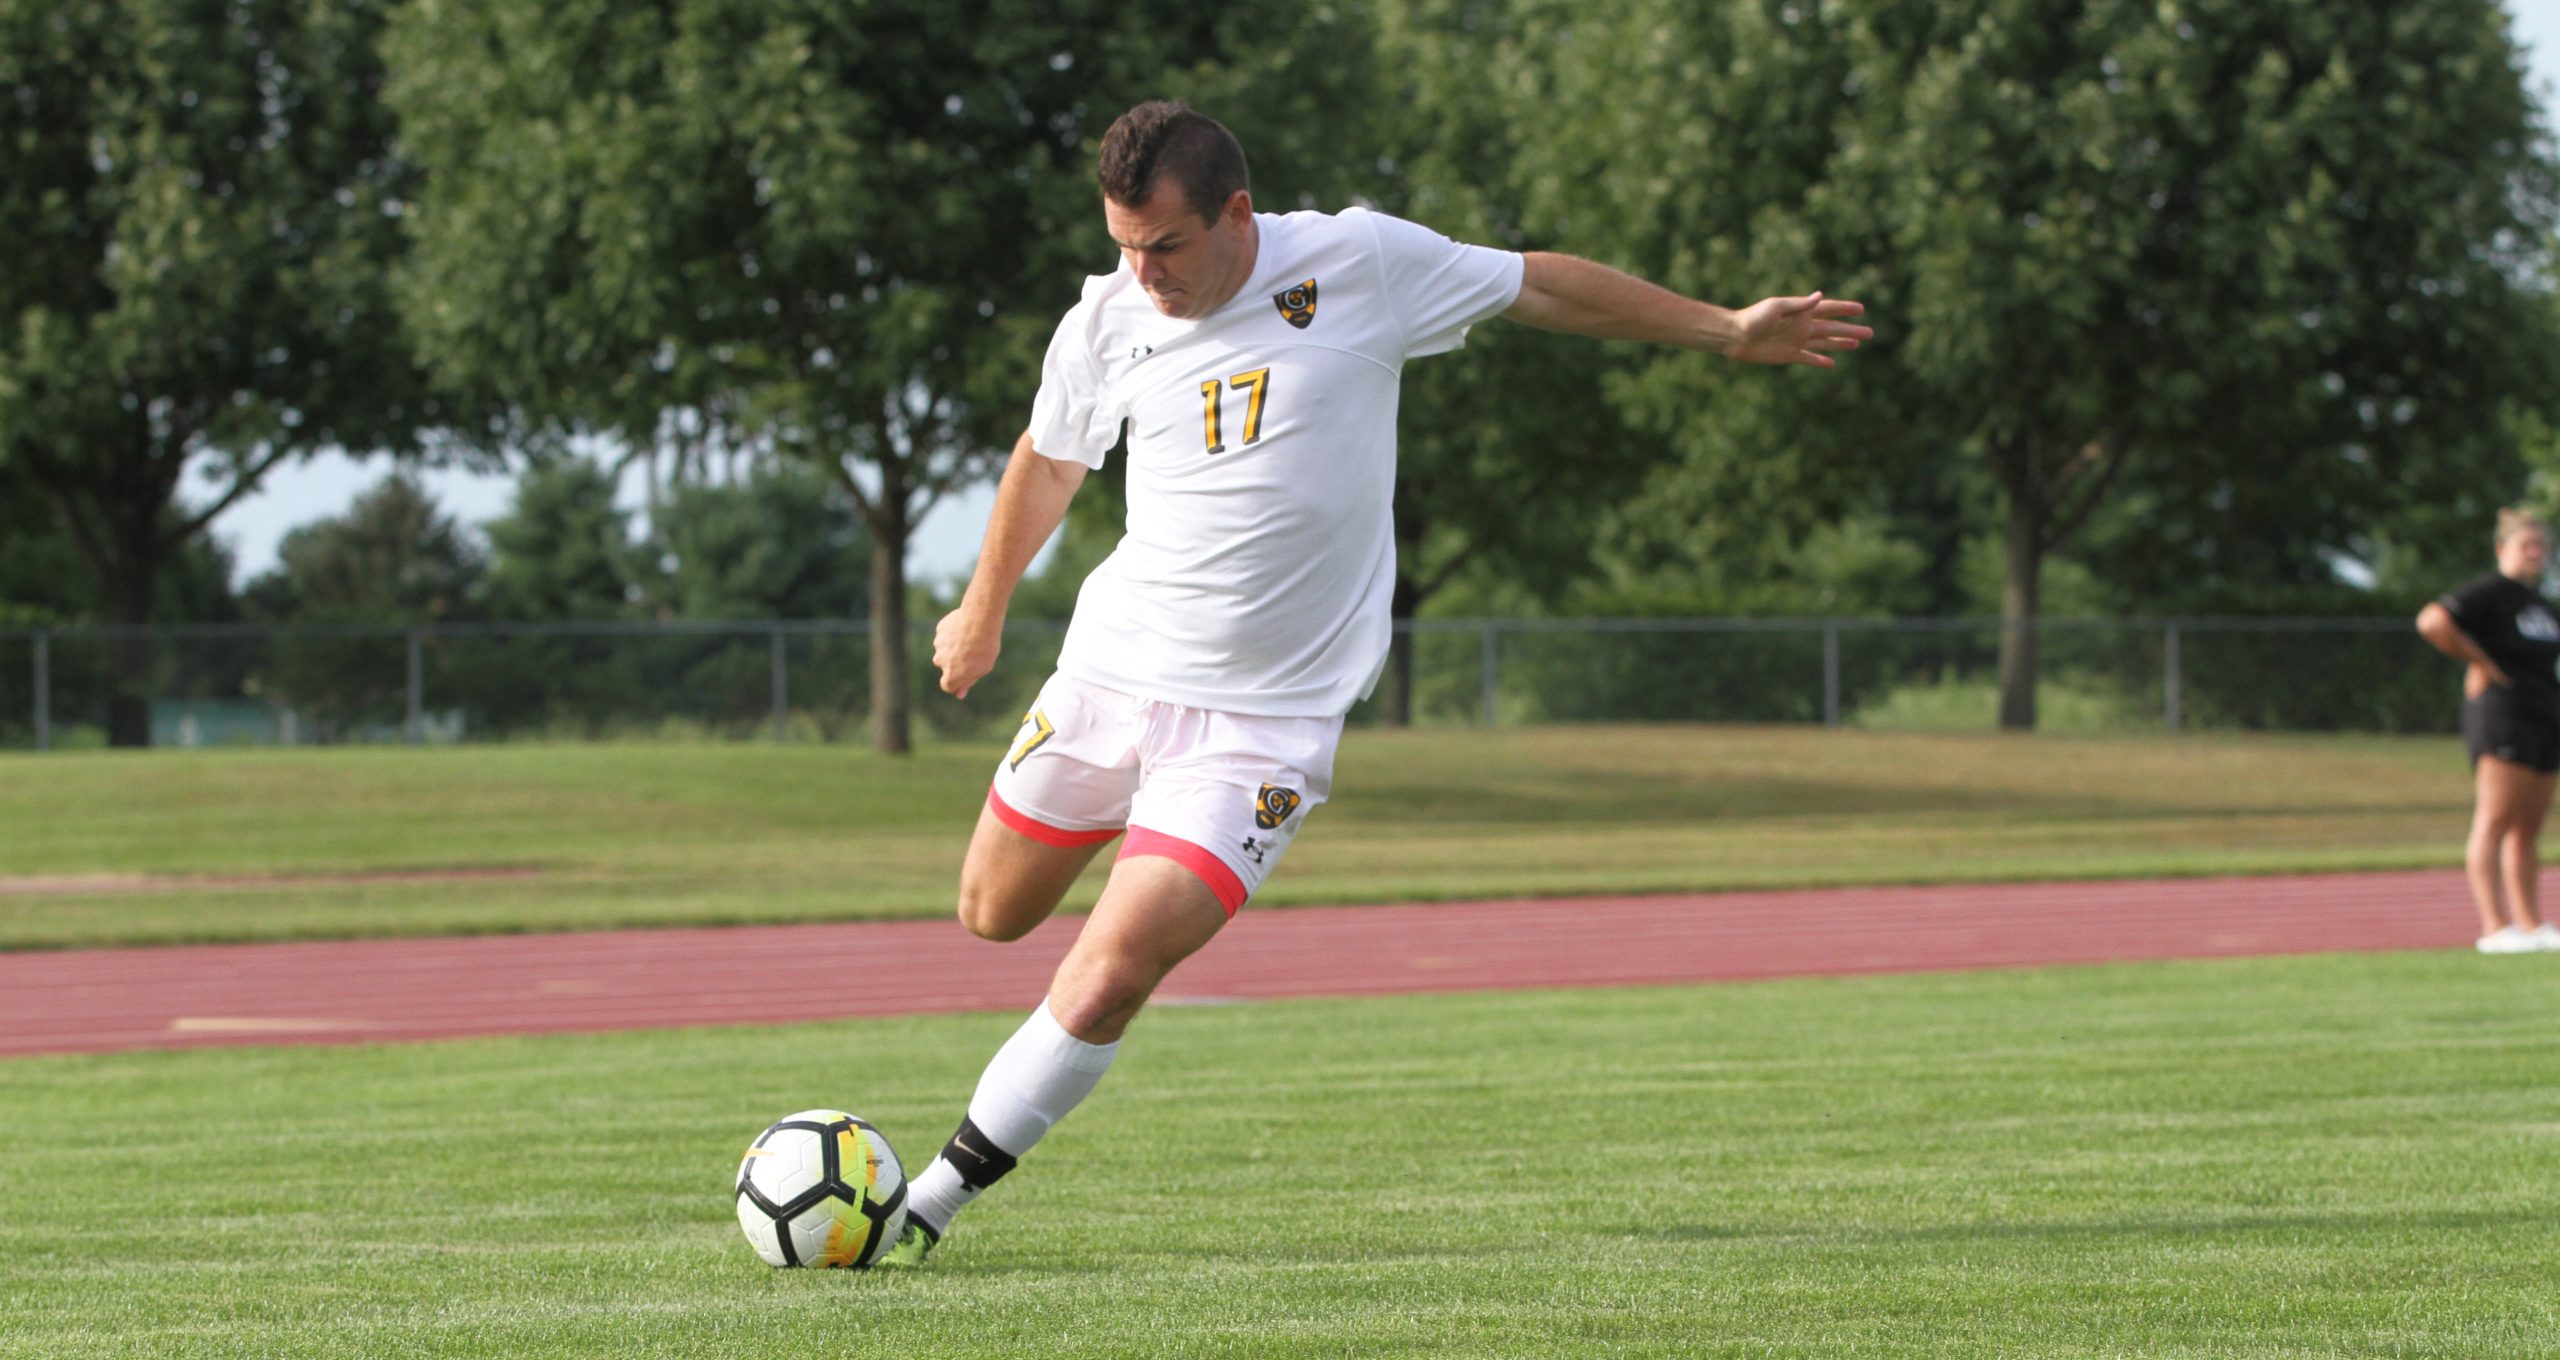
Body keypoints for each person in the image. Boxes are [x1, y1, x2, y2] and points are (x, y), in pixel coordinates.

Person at [880, 100, 1872, 1266]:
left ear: (1237, 214)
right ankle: (1083, 873)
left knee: (1105, 978)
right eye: (1122, 244)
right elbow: (1049, 460)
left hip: (1257, 733)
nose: (1139, 271)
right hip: (1110, 672)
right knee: (990, 913)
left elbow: (1537, 285)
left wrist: (1723, 329)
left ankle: (925, 1206)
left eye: (1165, 246)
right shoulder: (1104, 319)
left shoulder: (1357, 262)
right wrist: (982, 609)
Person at [2417, 508, 2560, 954]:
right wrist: (2478, 661)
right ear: (2503, 549)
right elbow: (2432, 621)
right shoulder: (2489, 593)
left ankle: (2531, 924)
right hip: (2503, 714)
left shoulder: (2541, 604)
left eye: (2543, 546)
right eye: (2526, 545)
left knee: (2528, 828)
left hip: (2545, 717)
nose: (2536, 554)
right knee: (2495, 818)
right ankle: (2495, 926)